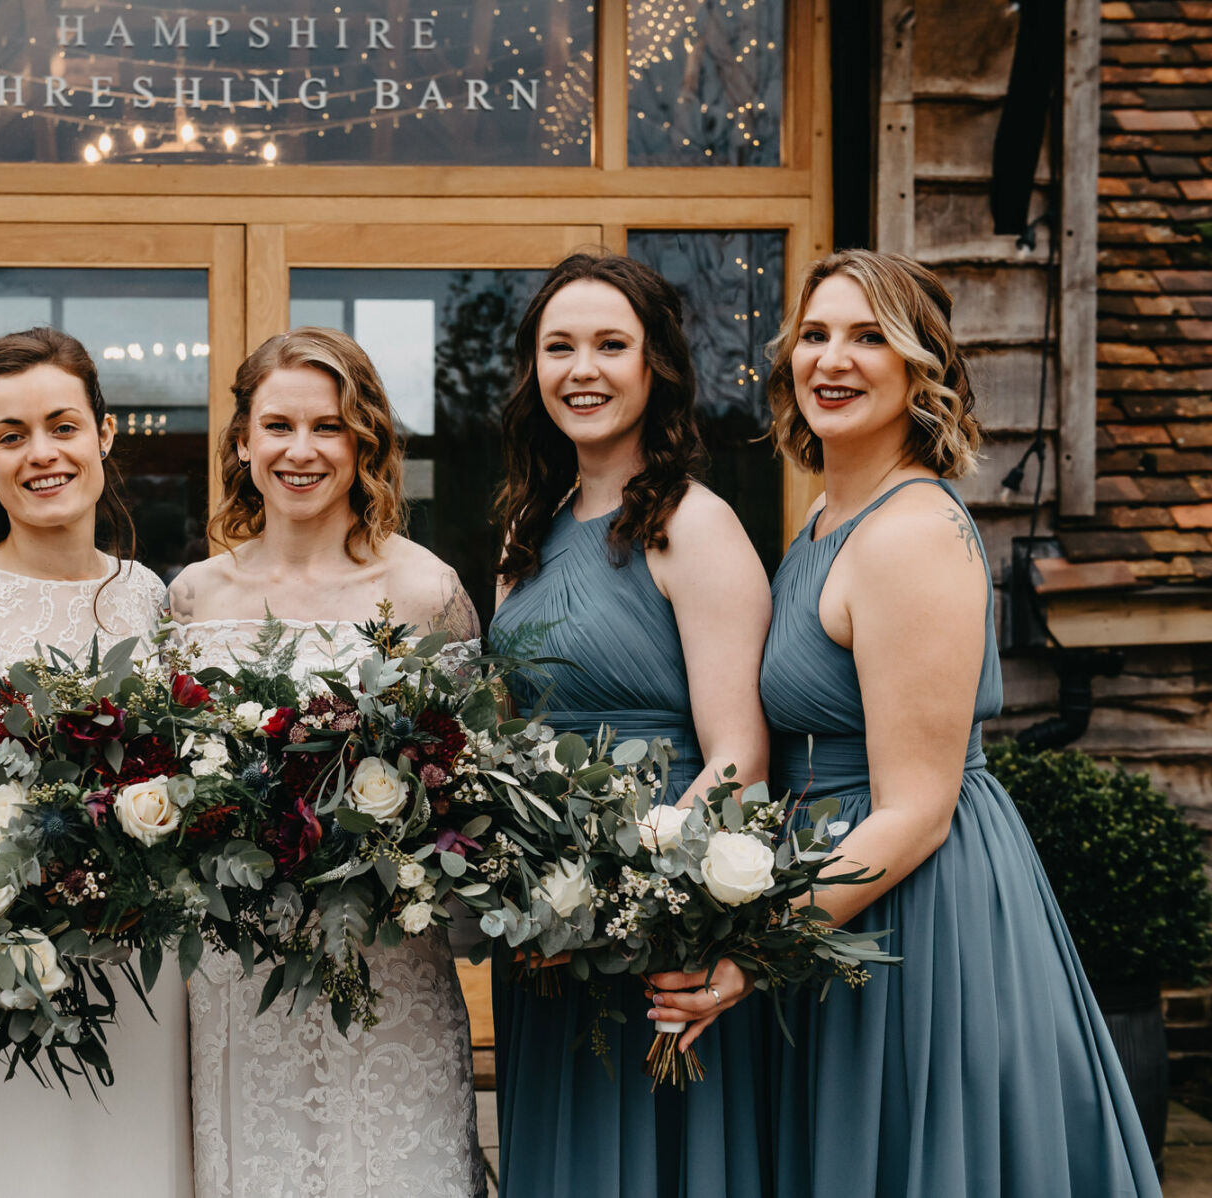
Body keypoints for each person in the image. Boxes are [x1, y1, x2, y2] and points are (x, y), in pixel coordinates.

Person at [734, 248, 1161, 1197]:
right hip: (832, 899)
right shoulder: (822, 522)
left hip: (910, 909)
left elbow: (919, 809)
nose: (832, 360)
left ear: (920, 365)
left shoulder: (911, 533)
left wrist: (750, 951)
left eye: (868, 337)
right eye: (814, 335)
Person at [166, 326, 485, 1197]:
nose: (301, 451)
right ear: (242, 441)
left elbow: (463, 789)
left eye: (329, 427)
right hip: (242, 969)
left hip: (385, 963)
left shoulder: (424, 591)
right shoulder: (194, 598)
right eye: (278, 426)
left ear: (364, 441)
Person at [489, 252, 773, 1197]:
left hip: (652, 920)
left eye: (612, 345)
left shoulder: (695, 525)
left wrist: (631, 893)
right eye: (558, 347)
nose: (584, 369)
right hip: (540, 927)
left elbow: (739, 756)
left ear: (657, 369)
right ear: (533, 372)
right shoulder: (526, 530)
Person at [0, 327, 187, 1197]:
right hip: (12, 982)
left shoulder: (151, 596)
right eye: (11, 436)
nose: (42, 454)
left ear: (105, 434)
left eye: (63, 425)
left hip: (145, 978)